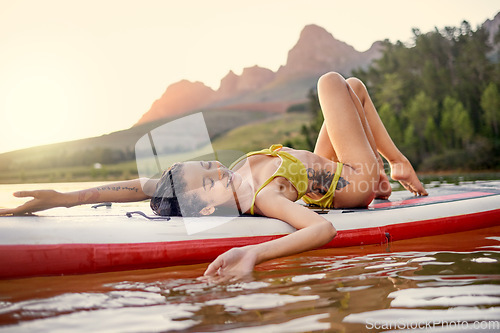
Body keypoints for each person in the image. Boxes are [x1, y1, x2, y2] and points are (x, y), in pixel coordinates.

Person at [0, 72, 427, 279]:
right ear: (208, 203)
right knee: (335, 81)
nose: (211, 166)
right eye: (206, 176)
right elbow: (323, 229)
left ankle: (394, 165)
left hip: (326, 166)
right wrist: (255, 254)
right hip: (355, 180)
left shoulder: (224, 182)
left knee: (351, 88)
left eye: (201, 163)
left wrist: (65, 197)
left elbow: (145, 187)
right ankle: (392, 165)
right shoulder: (263, 198)